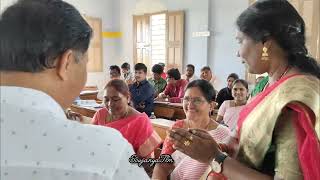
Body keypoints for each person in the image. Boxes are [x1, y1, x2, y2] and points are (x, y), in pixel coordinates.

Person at [166, 1, 320, 179]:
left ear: (265, 43)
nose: (238, 53)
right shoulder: (273, 84)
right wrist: (214, 147)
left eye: (240, 41)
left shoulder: (295, 97)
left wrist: (214, 157)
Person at [0, 0, 148, 179]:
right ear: (67, 62)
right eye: (85, 63)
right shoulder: (106, 149)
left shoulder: (137, 121)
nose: (109, 104)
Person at [152, 80, 231, 180]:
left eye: (197, 100)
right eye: (186, 99)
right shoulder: (178, 127)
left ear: (211, 105)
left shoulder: (224, 135)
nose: (190, 104)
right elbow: (163, 164)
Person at [92, 79, 162, 158]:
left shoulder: (141, 122)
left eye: (115, 99)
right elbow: (92, 143)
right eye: (106, 99)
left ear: (128, 98)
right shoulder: (100, 114)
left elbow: (147, 162)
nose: (110, 104)